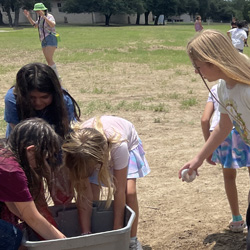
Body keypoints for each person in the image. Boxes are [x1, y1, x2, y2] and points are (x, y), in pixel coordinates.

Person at [178, 29, 250, 231]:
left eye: (198, 66)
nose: (196, 72)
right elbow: (224, 125)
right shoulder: (223, 87)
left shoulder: (247, 89)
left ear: (214, 61)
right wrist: (200, 157)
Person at [62, 115, 151, 250]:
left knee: (129, 192)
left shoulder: (119, 146)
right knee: (91, 191)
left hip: (125, 144)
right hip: (91, 153)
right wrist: (85, 234)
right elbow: (84, 193)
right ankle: (91, 232)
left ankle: (132, 240)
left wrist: (117, 233)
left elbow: (119, 191)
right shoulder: (76, 147)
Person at [0, 118, 66, 249]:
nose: (44, 163)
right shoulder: (12, 170)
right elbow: (32, 218)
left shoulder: (4, 155)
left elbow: (14, 207)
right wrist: (66, 244)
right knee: (13, 238)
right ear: (31, 150)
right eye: (45, 157)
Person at [201, 83, 250, 232]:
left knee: (229, 177)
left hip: (224, 136)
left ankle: (236, 220)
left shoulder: (216, 88)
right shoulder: (243, 86)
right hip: (244, 131)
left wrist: (208, 147)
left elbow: (204, 120)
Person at [4, 62, 81, 139]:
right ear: (22, 94)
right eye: (31, 97)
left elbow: (68, 132)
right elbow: (19, 134)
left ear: (54, 93)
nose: (38, 102)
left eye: (45, 97)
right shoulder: (13, 98)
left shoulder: (64, 99)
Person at [23, 3, 60, 78]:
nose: (37, 12)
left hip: (50, 38)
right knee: (48, 59)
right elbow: (35, 25)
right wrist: (29, 17)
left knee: (49, 59)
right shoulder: (39, 18)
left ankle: (56, 76)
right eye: (36, 11)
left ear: (43, 9)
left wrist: (44, 17)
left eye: (38, 10)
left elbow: (52, 25)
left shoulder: (49, 16)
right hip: (43, 39)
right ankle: (53, 75)